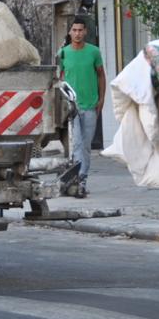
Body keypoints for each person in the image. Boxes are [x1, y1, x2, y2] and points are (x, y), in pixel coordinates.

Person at [58, 18, 105, 198]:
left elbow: (101, 75)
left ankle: (82, 180)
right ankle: (77, 182)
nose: (77, 33)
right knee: (76, 144)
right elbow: (58, 79)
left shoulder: (94, 52)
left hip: (90, 105)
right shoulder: (63, 53)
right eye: (74, 30)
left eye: (80, 30)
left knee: (85, 146)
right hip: (71, 107)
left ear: (85, 32)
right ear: (70, 32)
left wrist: (101, 99)